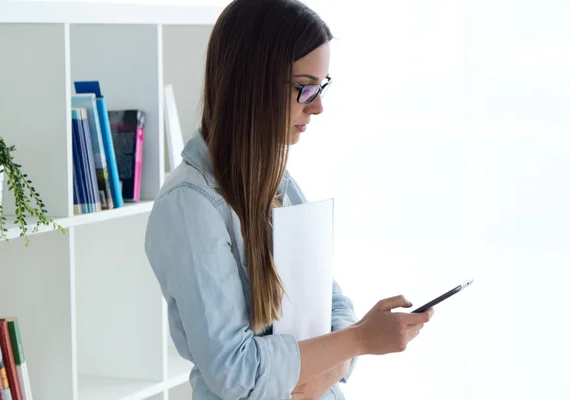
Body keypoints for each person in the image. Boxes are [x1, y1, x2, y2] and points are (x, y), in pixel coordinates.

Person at [145, 0, 434, 398]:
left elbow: (333, 305)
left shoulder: (278, 184)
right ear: (252, 83)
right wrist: (357, 342)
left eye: (321, 86)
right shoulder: (190, 205)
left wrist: (326, 370)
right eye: (305, 87)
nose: (317, 106)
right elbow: (236, 372)